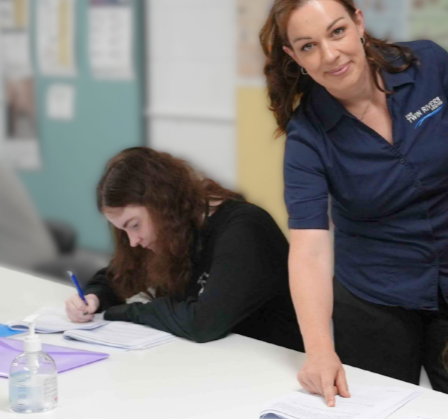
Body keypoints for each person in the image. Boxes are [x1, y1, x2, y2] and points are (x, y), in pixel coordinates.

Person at [259, 0, 448, 404]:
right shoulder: (308, 136)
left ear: (359, 22)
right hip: (374, 302)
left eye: (337, 31)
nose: (330, 55)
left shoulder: (427, 66)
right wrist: (319, 350)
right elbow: (309, 248)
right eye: (308, 46)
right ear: (294, 57)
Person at [64, 147, 303, 350]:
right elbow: (119, 275)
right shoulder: (172, 231)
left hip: (271, 366)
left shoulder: (244, 230)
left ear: (162, 203)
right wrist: (94, 297)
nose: (133, 241)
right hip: (217, 358)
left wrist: (125, 312)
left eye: (135, 225)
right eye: (124, 230)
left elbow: (203, 323)